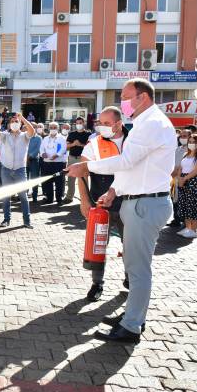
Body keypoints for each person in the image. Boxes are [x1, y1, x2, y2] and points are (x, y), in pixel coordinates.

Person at [66, 78, 176, 344]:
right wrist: (114, 190)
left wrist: (88, 168)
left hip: (145, 204)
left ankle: (131, 326)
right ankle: (133, 315)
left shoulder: (151, 123)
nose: (123, 102)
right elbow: (134, 168)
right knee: (134, 265)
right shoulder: (144, 124)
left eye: (127, 97)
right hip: (138, 200)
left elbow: (126, 161)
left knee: (138, 270)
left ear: (143, 98)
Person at [77, 107, 128, 302]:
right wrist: (84, 201)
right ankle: (97, 283)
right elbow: (82, 171)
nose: (102, 127)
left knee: (129, 246)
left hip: (128, 203)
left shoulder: (132, 141)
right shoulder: (94, 144)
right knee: (98, 245)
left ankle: (130, 279)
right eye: (100, 123)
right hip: (101, 204)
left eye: (107, 124)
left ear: (118, 123)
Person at [0, 112, 35, 227]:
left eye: (16, 121)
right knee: (6, 196)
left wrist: (22, 118)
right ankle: (6, 220)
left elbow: (32, 131)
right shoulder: (5, 135)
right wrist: (1, 118)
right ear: (9, 124)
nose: (14, 123)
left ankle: (27, 221)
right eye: (12, 121)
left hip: (20, 170)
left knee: (23, 197)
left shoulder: (24, 135)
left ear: (20, 124)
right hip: (6, 169)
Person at [174, 134, 197, 238]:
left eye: (194, 142)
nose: (191, 144)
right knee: (184, 204)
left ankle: (193, 230)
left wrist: (184, 179)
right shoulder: (185, 154)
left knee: (194, 205)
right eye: (190, 142)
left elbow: (196, 170)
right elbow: (180, 168)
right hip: (183, 181)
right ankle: (187, 227)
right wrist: (179, 178)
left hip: (193, 181)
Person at [168, 129, 192, 228]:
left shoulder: (191, 150)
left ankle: (186, 221)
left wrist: (176, 171)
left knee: (185, 201)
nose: (182, 138)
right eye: (181, 136)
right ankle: (176, 219)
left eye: (185, 136)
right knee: (175, 199)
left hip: (185, 179)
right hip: (174, 179)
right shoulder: (177, 149)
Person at [39, 122, 67, 204]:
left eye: (55, 127)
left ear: (58, 128)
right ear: (49, 128)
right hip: (47, 163)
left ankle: (59, 199)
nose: (53, 129)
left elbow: (63, 149)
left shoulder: (61, 138)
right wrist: (42, 153)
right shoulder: (45, 138)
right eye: (51, 127)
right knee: (48, 182)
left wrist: (57, 155)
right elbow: (41, 148)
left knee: (59, 182)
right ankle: (49, 199)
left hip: (58, 163)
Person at [65, 117, 91, 203]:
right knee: (71, 179)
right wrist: (73, 144)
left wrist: (80, 145)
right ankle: (69, 197)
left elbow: (90, 147)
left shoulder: (88, 134)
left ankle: (84, 199)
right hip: (72, 158)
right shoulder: (72, 134)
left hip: (82, 159)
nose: (78, 124)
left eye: (80, 123)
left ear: (84, 123)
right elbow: (67, 146)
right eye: (77, 123)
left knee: (83, 179)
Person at [27, 123, 42, 202]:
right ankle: (24, 196)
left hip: (34, 160)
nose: (32, 128)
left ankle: (35, 196)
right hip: (24, 160)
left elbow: (38, 149)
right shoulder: (25, 136)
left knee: (34, 179)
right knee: (24, 179)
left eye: (34, 127)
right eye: (31, 126)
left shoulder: (39, 138)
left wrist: (30, 156)